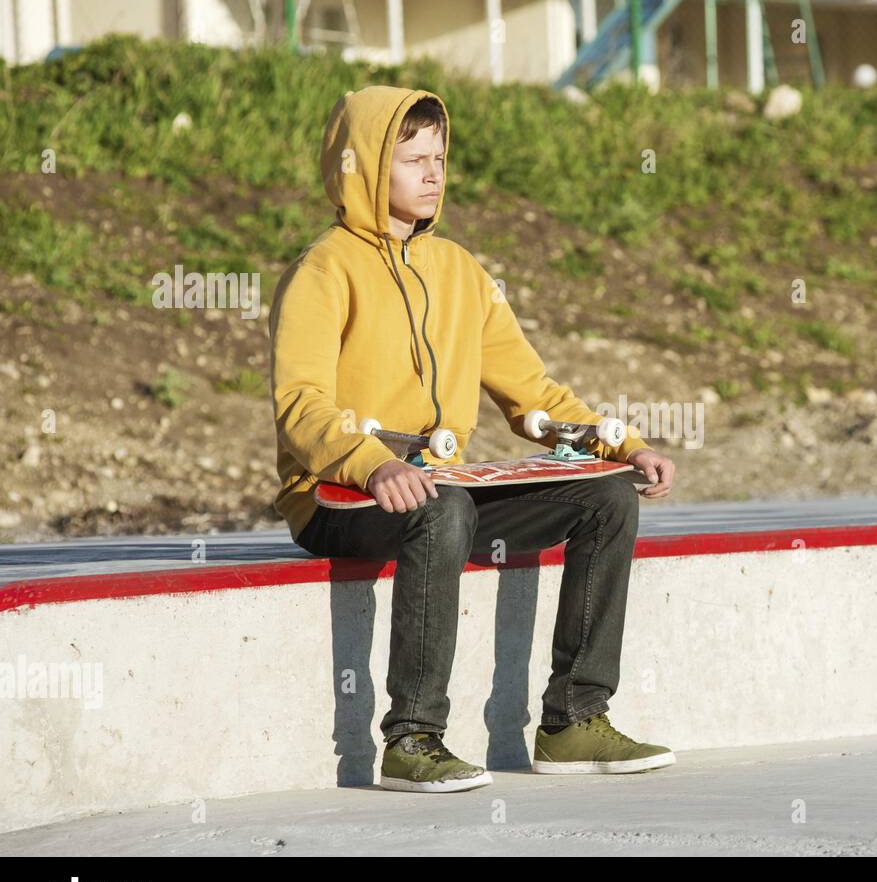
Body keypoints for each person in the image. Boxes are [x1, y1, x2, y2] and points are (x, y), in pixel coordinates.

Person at [269, 86, 677, 793]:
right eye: (413, 160)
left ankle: (574, 718)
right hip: (338, 494)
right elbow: (300, 404)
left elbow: (534, 395)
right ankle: (413, 738)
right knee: (443, 510)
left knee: (607, 499)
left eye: (440, 157)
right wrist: (372, 466)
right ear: (362, 167)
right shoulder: (324, 269)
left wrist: (621, 445)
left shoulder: (461, 272)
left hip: (439, 488)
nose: (433, 174)